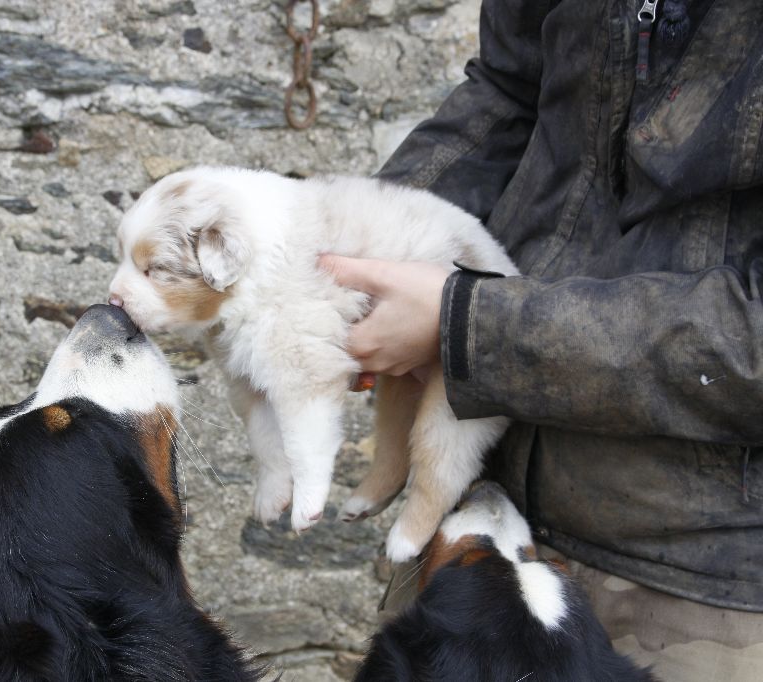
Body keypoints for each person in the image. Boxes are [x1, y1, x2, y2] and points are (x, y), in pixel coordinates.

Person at [319, 1, 763, 679]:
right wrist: (351, 260)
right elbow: (509, 88)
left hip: (699, 587)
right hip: (484, 514)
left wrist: (466, 326)